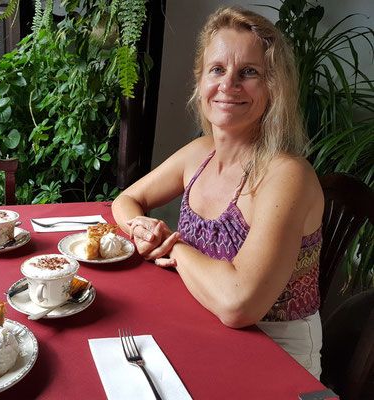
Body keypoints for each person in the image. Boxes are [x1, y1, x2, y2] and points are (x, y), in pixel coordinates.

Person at [112, 6, 324, 378]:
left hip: (276, 356)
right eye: (217, 69)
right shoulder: (200, 152)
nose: (228, 85)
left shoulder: (287, 175)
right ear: (200, 80)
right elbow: (125, 201)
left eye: (249, 73)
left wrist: (172, 247)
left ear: (274, 85)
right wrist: (143, 229)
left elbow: (238, 304)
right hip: (199, 321)